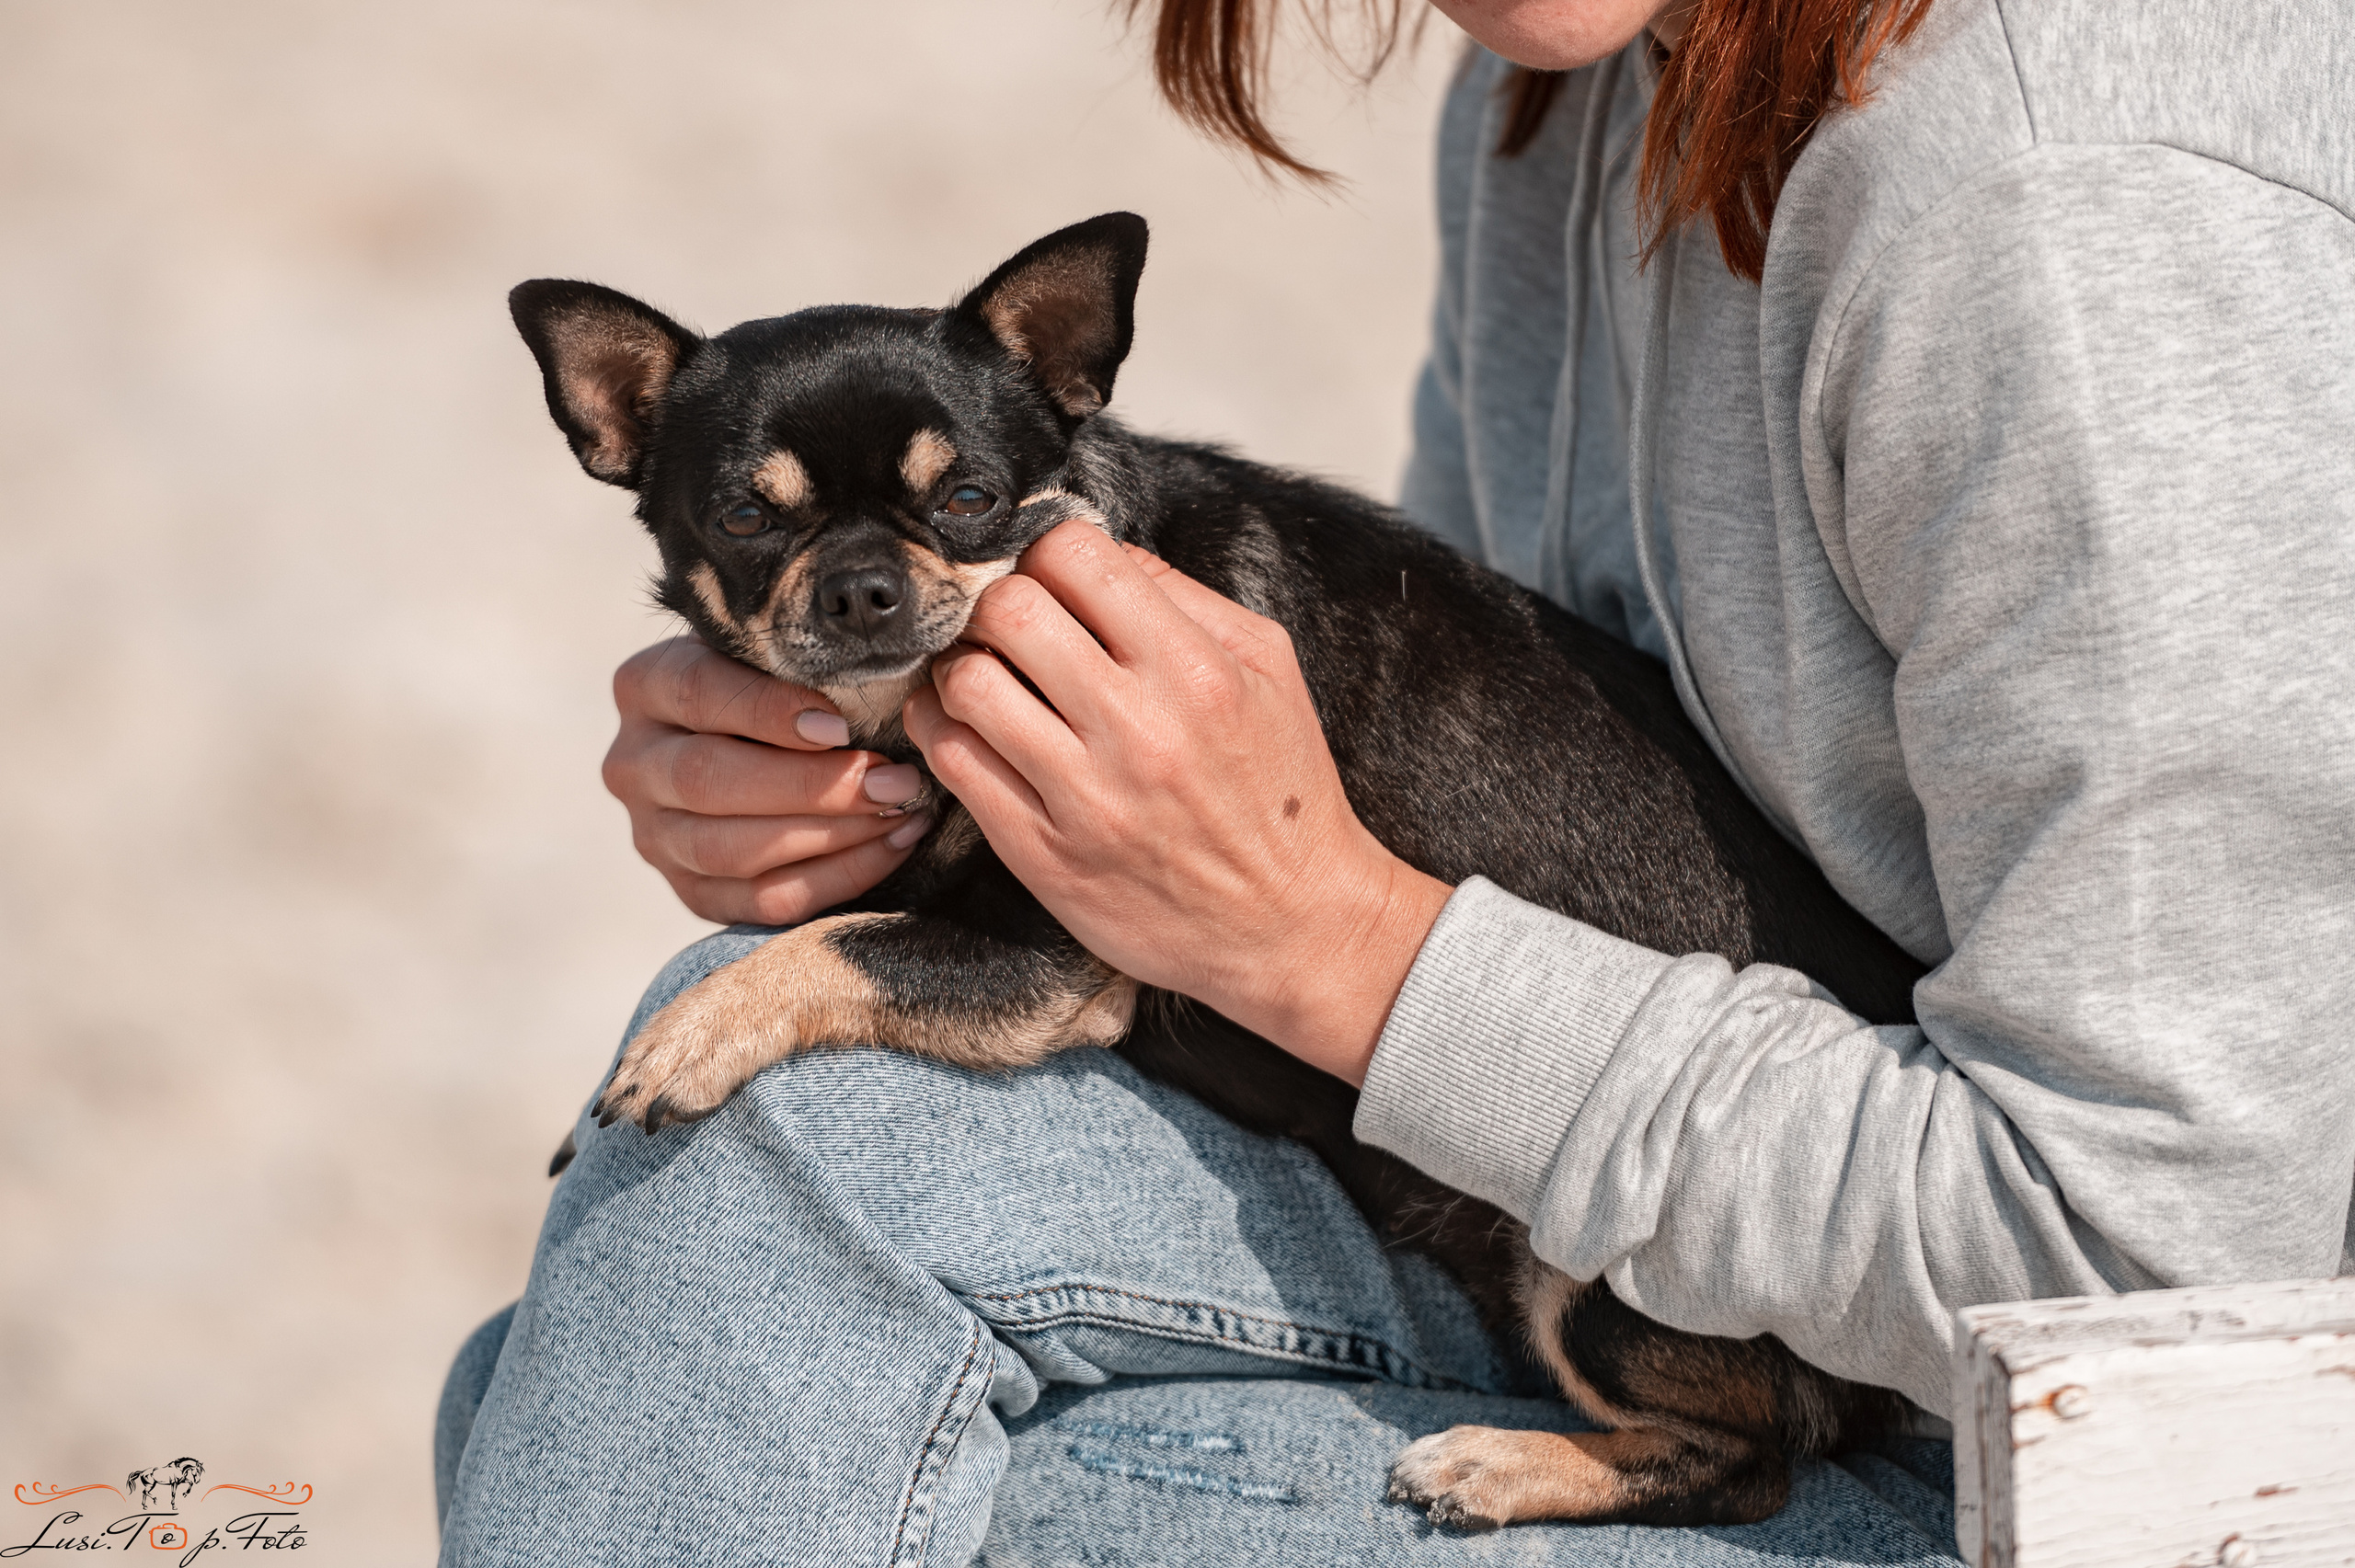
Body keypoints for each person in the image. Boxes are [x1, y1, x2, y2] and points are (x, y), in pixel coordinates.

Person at [433, 0, 2355, 1562]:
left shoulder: (2070, 223)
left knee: (694, 1366)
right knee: (684, 1226)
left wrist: (1331, 937)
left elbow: (2158, 1272)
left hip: (2076, 1467)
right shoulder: (1575, 81)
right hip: (1613, 1217)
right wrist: (881, 807)